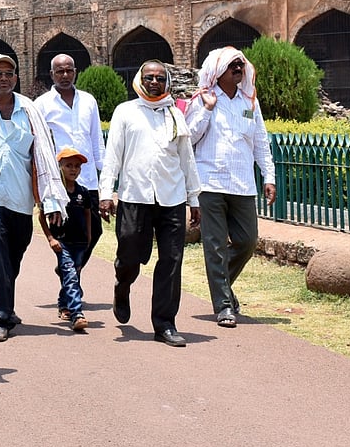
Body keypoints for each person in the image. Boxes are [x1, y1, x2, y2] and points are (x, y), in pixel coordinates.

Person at [98, 61, 201, 348]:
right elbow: (113, 155)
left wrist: (194, 199)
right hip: (135, 197)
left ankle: (165, 323)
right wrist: (106, 192)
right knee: (130, 251)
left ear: (167, 81)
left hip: (171, 198)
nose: (154, 82)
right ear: (139, 80)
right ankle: (122, 284)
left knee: (171, 260)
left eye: (159, 78)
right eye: (149, 77)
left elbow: (186, 159)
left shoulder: (174, 115)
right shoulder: (126, 112)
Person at [0, 53, 68, 341]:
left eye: (9, 74)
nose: (3, 78)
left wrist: (50, 201)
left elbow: (42, 156)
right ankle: (0, 317)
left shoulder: (29, 111)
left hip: (20, 201)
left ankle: (1, 302)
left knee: (11, 261)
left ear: (16, 79)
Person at [186, 47, 277, 328]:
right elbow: (188, 138)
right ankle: (224, 305)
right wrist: (208, 110)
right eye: (232, 65)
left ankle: (221, 285)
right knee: (214, 245)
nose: (238, 69)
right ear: (218, 70)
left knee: (247, 242)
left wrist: (269, 176)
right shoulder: (203, 99)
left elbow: (261, 142)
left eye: (240, 65)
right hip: (210, 183)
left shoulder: (250, 103)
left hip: (242, 184)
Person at [34, 53, 106, 302]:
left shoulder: (88, 101)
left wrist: (104, 178)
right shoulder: (42, 104)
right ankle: (70, 291)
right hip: (59, 183)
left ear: (75, 72)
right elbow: (40, 146)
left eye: (69, 70)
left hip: (87, 179)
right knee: (64, 237)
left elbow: (97, 139)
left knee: (93, 231)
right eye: (59, 71)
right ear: (51, 75)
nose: (65, 75)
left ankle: (68, 271)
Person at [38, 147, 93, 331]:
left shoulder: (82, 192)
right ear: (59, 166)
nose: (73, 169)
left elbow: (87, 214)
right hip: (62, 242)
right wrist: (50, 238)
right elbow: (41, 216)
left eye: (77, 166)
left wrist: (89, 235)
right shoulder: (55, 192)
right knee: (70, 275)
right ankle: (77, 313)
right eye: (68, 165)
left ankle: (63, 305)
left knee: (73, 274)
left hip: (79, 242)